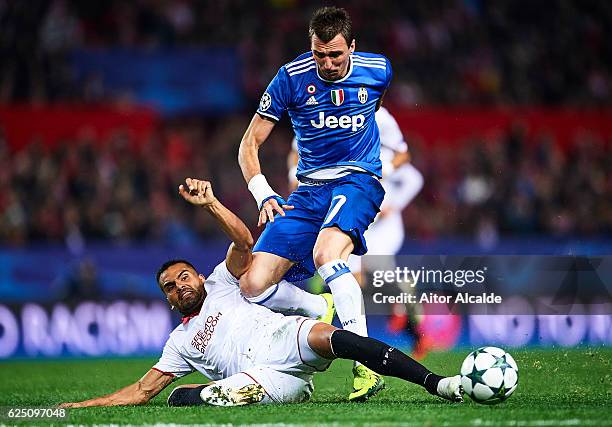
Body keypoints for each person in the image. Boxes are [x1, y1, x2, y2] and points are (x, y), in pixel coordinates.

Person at [58, 178, 462, 408]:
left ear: (198, 277)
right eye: (170, 287)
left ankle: (435, 383)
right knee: (182, 399)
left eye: (183, 277)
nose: (180, 286)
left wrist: (212, 204)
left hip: (284, 338)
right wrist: (79, 407)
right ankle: (267, 389)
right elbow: (142, 390)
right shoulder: (179, 343)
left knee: (338, 338)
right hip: (261, 377)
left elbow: (243, 241)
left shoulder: (221, 281)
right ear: (168, 300)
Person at [237, 6, 391, 400]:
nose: (327, 63)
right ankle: (315, 305)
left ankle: (367, 365)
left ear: (352, 47)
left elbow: (369, 113)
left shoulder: (378, 70)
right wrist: (264, 192)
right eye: (319, 54)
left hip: (358, 181)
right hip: (307, 191)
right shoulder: (290, 78)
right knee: (252, 283)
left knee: (327, 255)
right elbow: (249, 144)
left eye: (336, 54)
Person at [288, 107, 429, 358]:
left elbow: (409, 168)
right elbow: (296, 151)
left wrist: (393, 203)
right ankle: (383, 323)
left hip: (383, 227)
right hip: (354, 220)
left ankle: (410, 323)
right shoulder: (320, 119)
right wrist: (295, 178)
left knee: (374, 272)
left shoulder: (380, 132)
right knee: (353, 277)